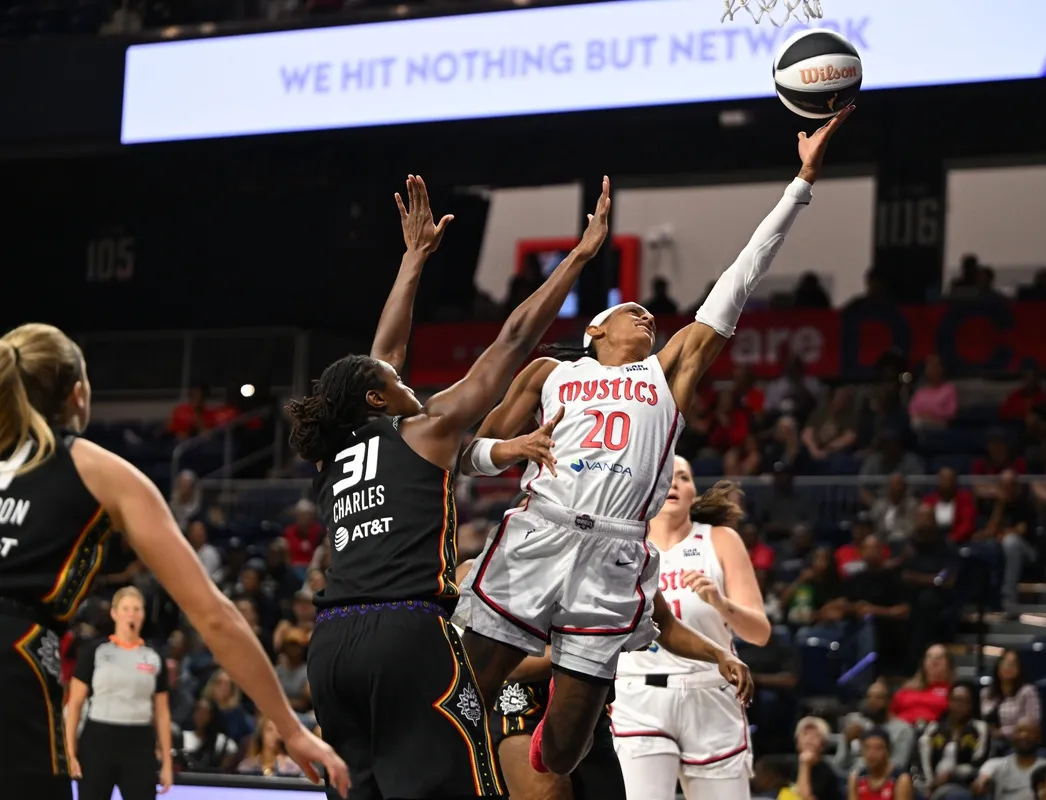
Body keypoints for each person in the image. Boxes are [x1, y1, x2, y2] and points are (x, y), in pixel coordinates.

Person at [455, 107, 855, 777]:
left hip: (615, 551)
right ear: (595, 333)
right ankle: (439, 774)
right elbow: (467, 453)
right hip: (542, 529)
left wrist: (801, 184)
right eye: (627, 311)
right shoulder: (552, 372)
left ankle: (526, 752)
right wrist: (511, 449)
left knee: (567, 743)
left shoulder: (665, 372)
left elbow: (738, 281)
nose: (645, 314)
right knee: (469, 687)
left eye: (649, 313)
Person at [288, 176, 616, 800]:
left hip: (331, 645)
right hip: (407, 633)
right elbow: (514, 339)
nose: (407, 373)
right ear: (379, 398)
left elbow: (383, 351)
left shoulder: (336, 448)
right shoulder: (424, 428)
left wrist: (413, 260)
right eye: (396, 378)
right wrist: (578, 256)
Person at [0, 323, 348, 800]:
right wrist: (289, 727)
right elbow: (212, 614)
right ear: (79, 394)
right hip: (14, 669)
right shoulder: (99, 470)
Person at [457, 550, 748, 800]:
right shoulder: (489, 568)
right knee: (550, 793)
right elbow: (511, 667)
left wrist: (719, 654)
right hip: (520, 705)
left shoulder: (622, 557)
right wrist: (599, 644)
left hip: (588, 705)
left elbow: (665, 624)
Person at [612, 460, 770, 800]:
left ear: (692, 492)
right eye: (665, 477)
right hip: (639, 695)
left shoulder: (721, 540)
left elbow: (760, 633)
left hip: (712, 690)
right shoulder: (622, 540)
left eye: (682, 477)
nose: (673, 484)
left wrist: (721, 602)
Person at [65, 587, 173, 800]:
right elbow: (75, 703)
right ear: (114, 613)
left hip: (139, 742)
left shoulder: (153, 656)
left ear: (143, 614)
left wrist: (167, 763)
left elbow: (162, 713)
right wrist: (70, 752)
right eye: (125, 608)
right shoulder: (95, 651)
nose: (131, 613)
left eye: (136, 608)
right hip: (98, 740)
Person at [972, 719, 1046, 800]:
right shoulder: (995, 764)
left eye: (1031, 732)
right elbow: (983, 779)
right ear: (1012, 737)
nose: (1024, 735)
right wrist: (981, 783)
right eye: (1019, 731)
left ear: (1039, 738)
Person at [777, 717, 840, 800]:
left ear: (822, 745)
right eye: (805, 734)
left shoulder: (827, 774)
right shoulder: (786, 766)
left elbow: (804, 797)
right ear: (797, 742)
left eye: (816, 735)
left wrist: (805, 765)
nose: (809, 739)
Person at [848, 729, 913, 800]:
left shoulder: (901, 780)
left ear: (888, 750)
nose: (871, 753)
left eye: (878, 748)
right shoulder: (856, 778)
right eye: (867, 748)